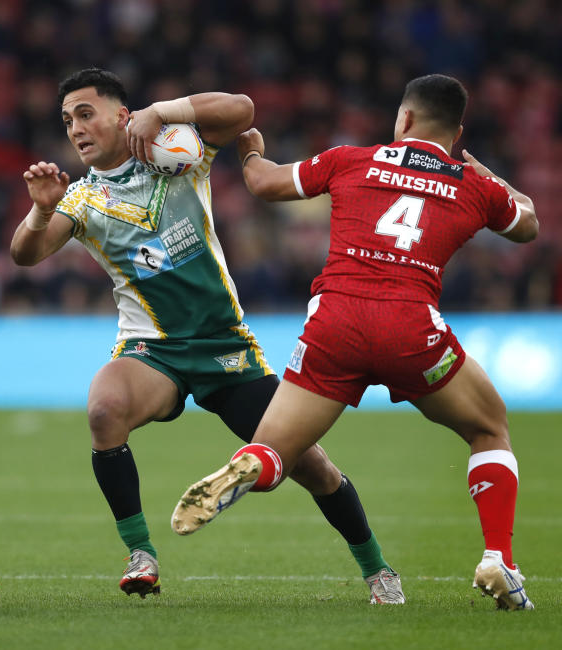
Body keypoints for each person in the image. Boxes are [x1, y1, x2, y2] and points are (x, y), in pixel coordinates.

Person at [10, 68, 404, 604]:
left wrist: (165, 110)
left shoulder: (174, 149)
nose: (75, 128)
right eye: (67, 121)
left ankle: (378, 569)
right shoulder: (80, 201)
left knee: (310, 465)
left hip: (225, 347)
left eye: (85, 113)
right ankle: (141, 554)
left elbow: (242, 110)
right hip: (153, 351)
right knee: (104, 410)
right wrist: (41, 209)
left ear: (122, 115)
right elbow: (25, 255)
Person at [172, 74, 539, 611]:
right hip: (412, 329)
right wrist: (493, 178)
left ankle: (253, 463)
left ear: (405, 119)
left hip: (335, 323)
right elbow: (528, 224)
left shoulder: (351, 159)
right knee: (488, 428)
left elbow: (265, 185)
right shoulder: (473, 186)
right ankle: (498, 559)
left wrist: (251, 153)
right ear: (457, 132)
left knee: (275, 450)